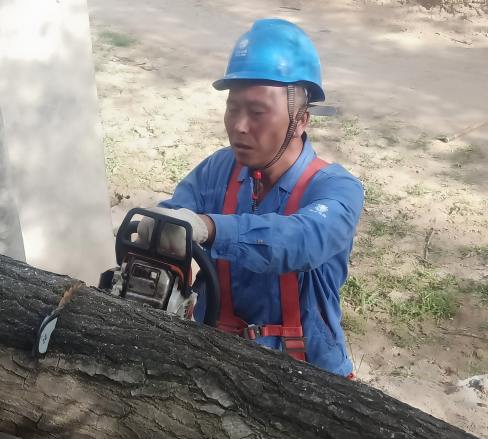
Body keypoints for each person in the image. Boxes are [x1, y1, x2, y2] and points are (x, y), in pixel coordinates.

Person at [138, 18, 364, 377]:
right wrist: (160, 229)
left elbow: (300, 241)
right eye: (233, 108)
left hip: (308, 374)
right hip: (215, 355)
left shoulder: (336, 189)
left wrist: (210, 228)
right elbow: (176, 215)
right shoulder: (219, 169)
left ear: (301, 120)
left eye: (257, 112)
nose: (239, 126)